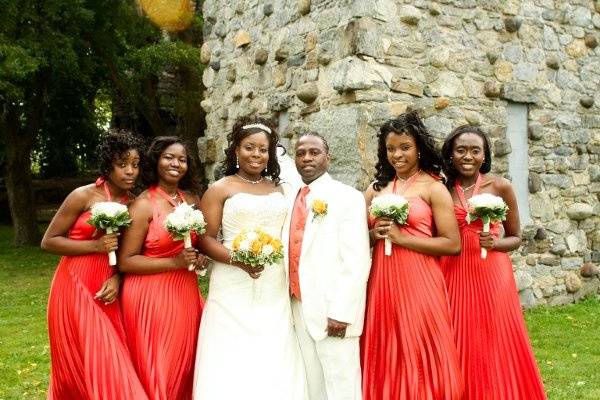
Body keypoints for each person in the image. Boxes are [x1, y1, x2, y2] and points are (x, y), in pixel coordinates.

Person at [192, 117, 306, 400]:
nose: (256, 155)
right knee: (231, 341)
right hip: (232, 278)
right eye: (249, 148)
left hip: (273, 279)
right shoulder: (220, 189)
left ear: (270, 153)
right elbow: (205, 239)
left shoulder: (280, 189)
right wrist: (237, 260)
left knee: (274, 340)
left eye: (263, 149)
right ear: (235, 151)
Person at [361, 112, 463, 400]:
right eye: (391, 148)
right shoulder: (375, 190)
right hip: (383, 279)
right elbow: (357, 239)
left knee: (421, 342)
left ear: (419, 148)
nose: (397, 155)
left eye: (405, 147)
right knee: (387, 342)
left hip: (420, 280)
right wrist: (374, 235)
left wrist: (403, 238)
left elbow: (452, 243)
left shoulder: (434, 188)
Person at [439, 125, 546, 400]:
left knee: (493, 337)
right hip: (452, 270)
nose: (468, 156)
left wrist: (495, 244)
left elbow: (516, 238)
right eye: (461, 150)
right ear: (451, 154)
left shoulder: (500, 186)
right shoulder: (442, 189)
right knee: (457, 336)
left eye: (475, 150)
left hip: (491, 273)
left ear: (484, 155)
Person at [42, 129, 148, 399]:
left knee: (109, 356)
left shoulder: (134, 203)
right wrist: (94, 246)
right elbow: (49, 241)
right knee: (77, 359)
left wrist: (117, 279)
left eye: (135, 165)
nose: (130, 172)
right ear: (107, 164)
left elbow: (130, 254)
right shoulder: (83, 196)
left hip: (107, 287)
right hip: (73, 284)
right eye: (122, 164)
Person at [284, 132, 371, 400]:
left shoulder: (347, 197)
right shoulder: (290, 197)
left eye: (314, 152)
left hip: (333, 310)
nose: (307, 158)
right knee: (313, 386)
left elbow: (356, 260)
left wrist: (342, 312)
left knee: (342, 386)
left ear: (328, 158)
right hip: (297, 306)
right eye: (301, 153)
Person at [118, 136, 204, 399]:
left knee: (187, 359)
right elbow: (126, 261)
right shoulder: (144, 204)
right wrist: (174, 262)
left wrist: (199, 257)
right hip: (150, 295)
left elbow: (200, 241)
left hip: (185, 292)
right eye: (169, 157)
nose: (176, 163)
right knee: (159, 363)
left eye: (182, 159)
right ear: (156, 161)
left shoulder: (191, 199)